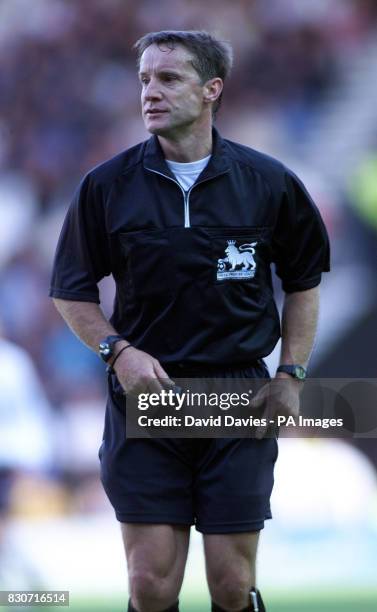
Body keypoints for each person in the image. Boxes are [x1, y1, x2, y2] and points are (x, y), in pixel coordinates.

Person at [50, 30, 330, 612]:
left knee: (231, 584)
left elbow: (304, 284)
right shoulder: (106, 186)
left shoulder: (269, 182)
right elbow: (71, 292)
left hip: (238, 394)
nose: (150, 92)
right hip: (148, 396)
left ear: (212, 90)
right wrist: (118, 352)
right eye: (144, 80)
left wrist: (292, 374)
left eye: (169, 79)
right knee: (150, 585)